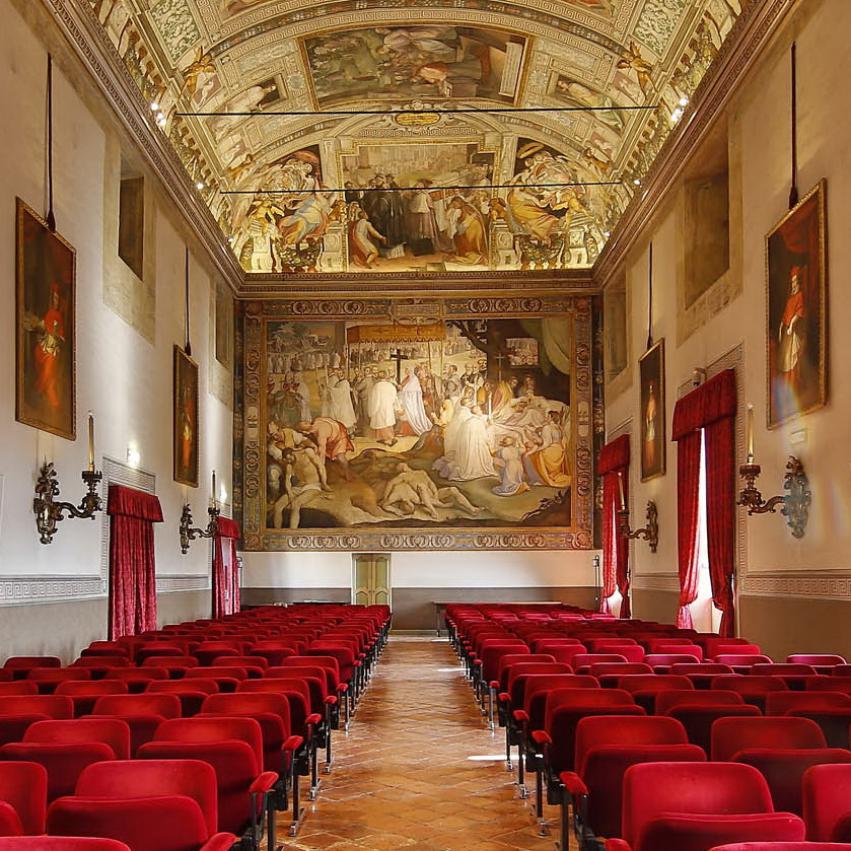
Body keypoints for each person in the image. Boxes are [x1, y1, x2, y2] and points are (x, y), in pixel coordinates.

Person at [381, 463, 480, 519]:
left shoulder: (421, 472)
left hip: (432, 495)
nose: (403, 465)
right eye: (400, 466)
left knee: (453, 489)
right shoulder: (403, 476)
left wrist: (436, 495)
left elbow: (431, 483)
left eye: (403, 464)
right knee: (422, 486)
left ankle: (472, 509)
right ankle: (433, 511)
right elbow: (390, 483)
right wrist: (385, 497)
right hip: (421, 498)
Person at [436, 404, 495, 481]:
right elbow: (484, 438)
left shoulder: (467, 422)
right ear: (477, 412)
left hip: (466, 451)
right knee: (485, 452)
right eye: (480, 410)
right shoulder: (479, 423)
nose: (481, 411)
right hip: (475, 451)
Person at [524, 410, 572, 488]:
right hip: (559, 450)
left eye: (547, 416)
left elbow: (546, 444)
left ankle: (539, 479)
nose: (546, 418)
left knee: (530, 455)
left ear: (551, 418)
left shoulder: (547, 427)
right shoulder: (559, 427)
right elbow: (564, 441)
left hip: (551, 452)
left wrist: (535, 450)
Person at [396, 366, 433, 436]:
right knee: (406, 415)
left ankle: (411, 431)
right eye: (405, 370)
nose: (406, 372)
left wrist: (403, 389)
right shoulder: (407, 378)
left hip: (413, 402)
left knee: (412, 415)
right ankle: (405, 431)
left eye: (407, 370)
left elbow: (411, 391)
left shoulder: (414, 379)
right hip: (408, 400)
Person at [368, 370, 398, 444]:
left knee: (382, 424)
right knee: (387, 424)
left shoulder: (377, 386)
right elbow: (395, 398)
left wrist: (372, 410)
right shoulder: (390, 385)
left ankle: (388, 439)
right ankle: (385, 438)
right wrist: (397, 408)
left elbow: (374, 399)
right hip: (388, 407)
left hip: (379, 408)